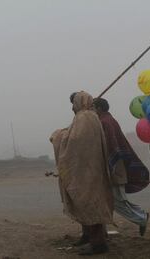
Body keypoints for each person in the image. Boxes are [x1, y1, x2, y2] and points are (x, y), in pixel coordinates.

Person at [50, 91, 113, 255]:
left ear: (80, 102)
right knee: (89, 205)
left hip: (88, 173)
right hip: (91, 170)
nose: (72, 108)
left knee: (90, 205)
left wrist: (58, 136)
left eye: (74, 103)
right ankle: (90, 238)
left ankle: (98, 244)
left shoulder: (85, 118)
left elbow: (75, 142)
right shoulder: (90, 117)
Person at [93, 98, 150, 237]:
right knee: (108, 201)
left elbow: (110, 147)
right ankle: (103, 232)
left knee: (118, 201)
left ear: (99, 108)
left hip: (114, 169)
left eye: (93, 107)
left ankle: (141, 218)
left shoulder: (105, 123)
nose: (92, 110)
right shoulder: (107, 120)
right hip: (111, 168)